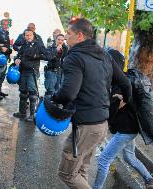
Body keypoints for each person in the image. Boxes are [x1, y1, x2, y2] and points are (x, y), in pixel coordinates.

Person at [51, 18, 132, 188]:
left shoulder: (74, 57)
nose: (65, 36)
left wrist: (54, 98)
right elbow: (125, 83)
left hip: (86, 127)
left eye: (68, 33)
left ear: (79, 36)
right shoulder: (104, 54)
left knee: (67, 173)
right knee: (81, 170)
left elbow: (68, 93)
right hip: (101, 124)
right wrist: (124, 104)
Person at [92, 48, 153, 189]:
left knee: (104, 160)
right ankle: (150, 181)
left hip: (126, 131)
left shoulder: (120, 84)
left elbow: (110, 112)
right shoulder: (123, 79)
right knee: (129, 157)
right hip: (130, 128)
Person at [13, 29, 54, 121]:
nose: (28, 37)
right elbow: (18, 55)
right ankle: (22, 112)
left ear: (33, 36)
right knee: (23, 93)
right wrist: (16, 59)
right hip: (23, 71)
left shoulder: (38, 45)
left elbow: (49, 56)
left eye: (30, 35)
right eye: (26, 35)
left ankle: (32, 115)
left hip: (32, 72)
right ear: (24, 36)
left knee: (32, 94)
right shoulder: (24, 45)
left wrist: (37, 56)